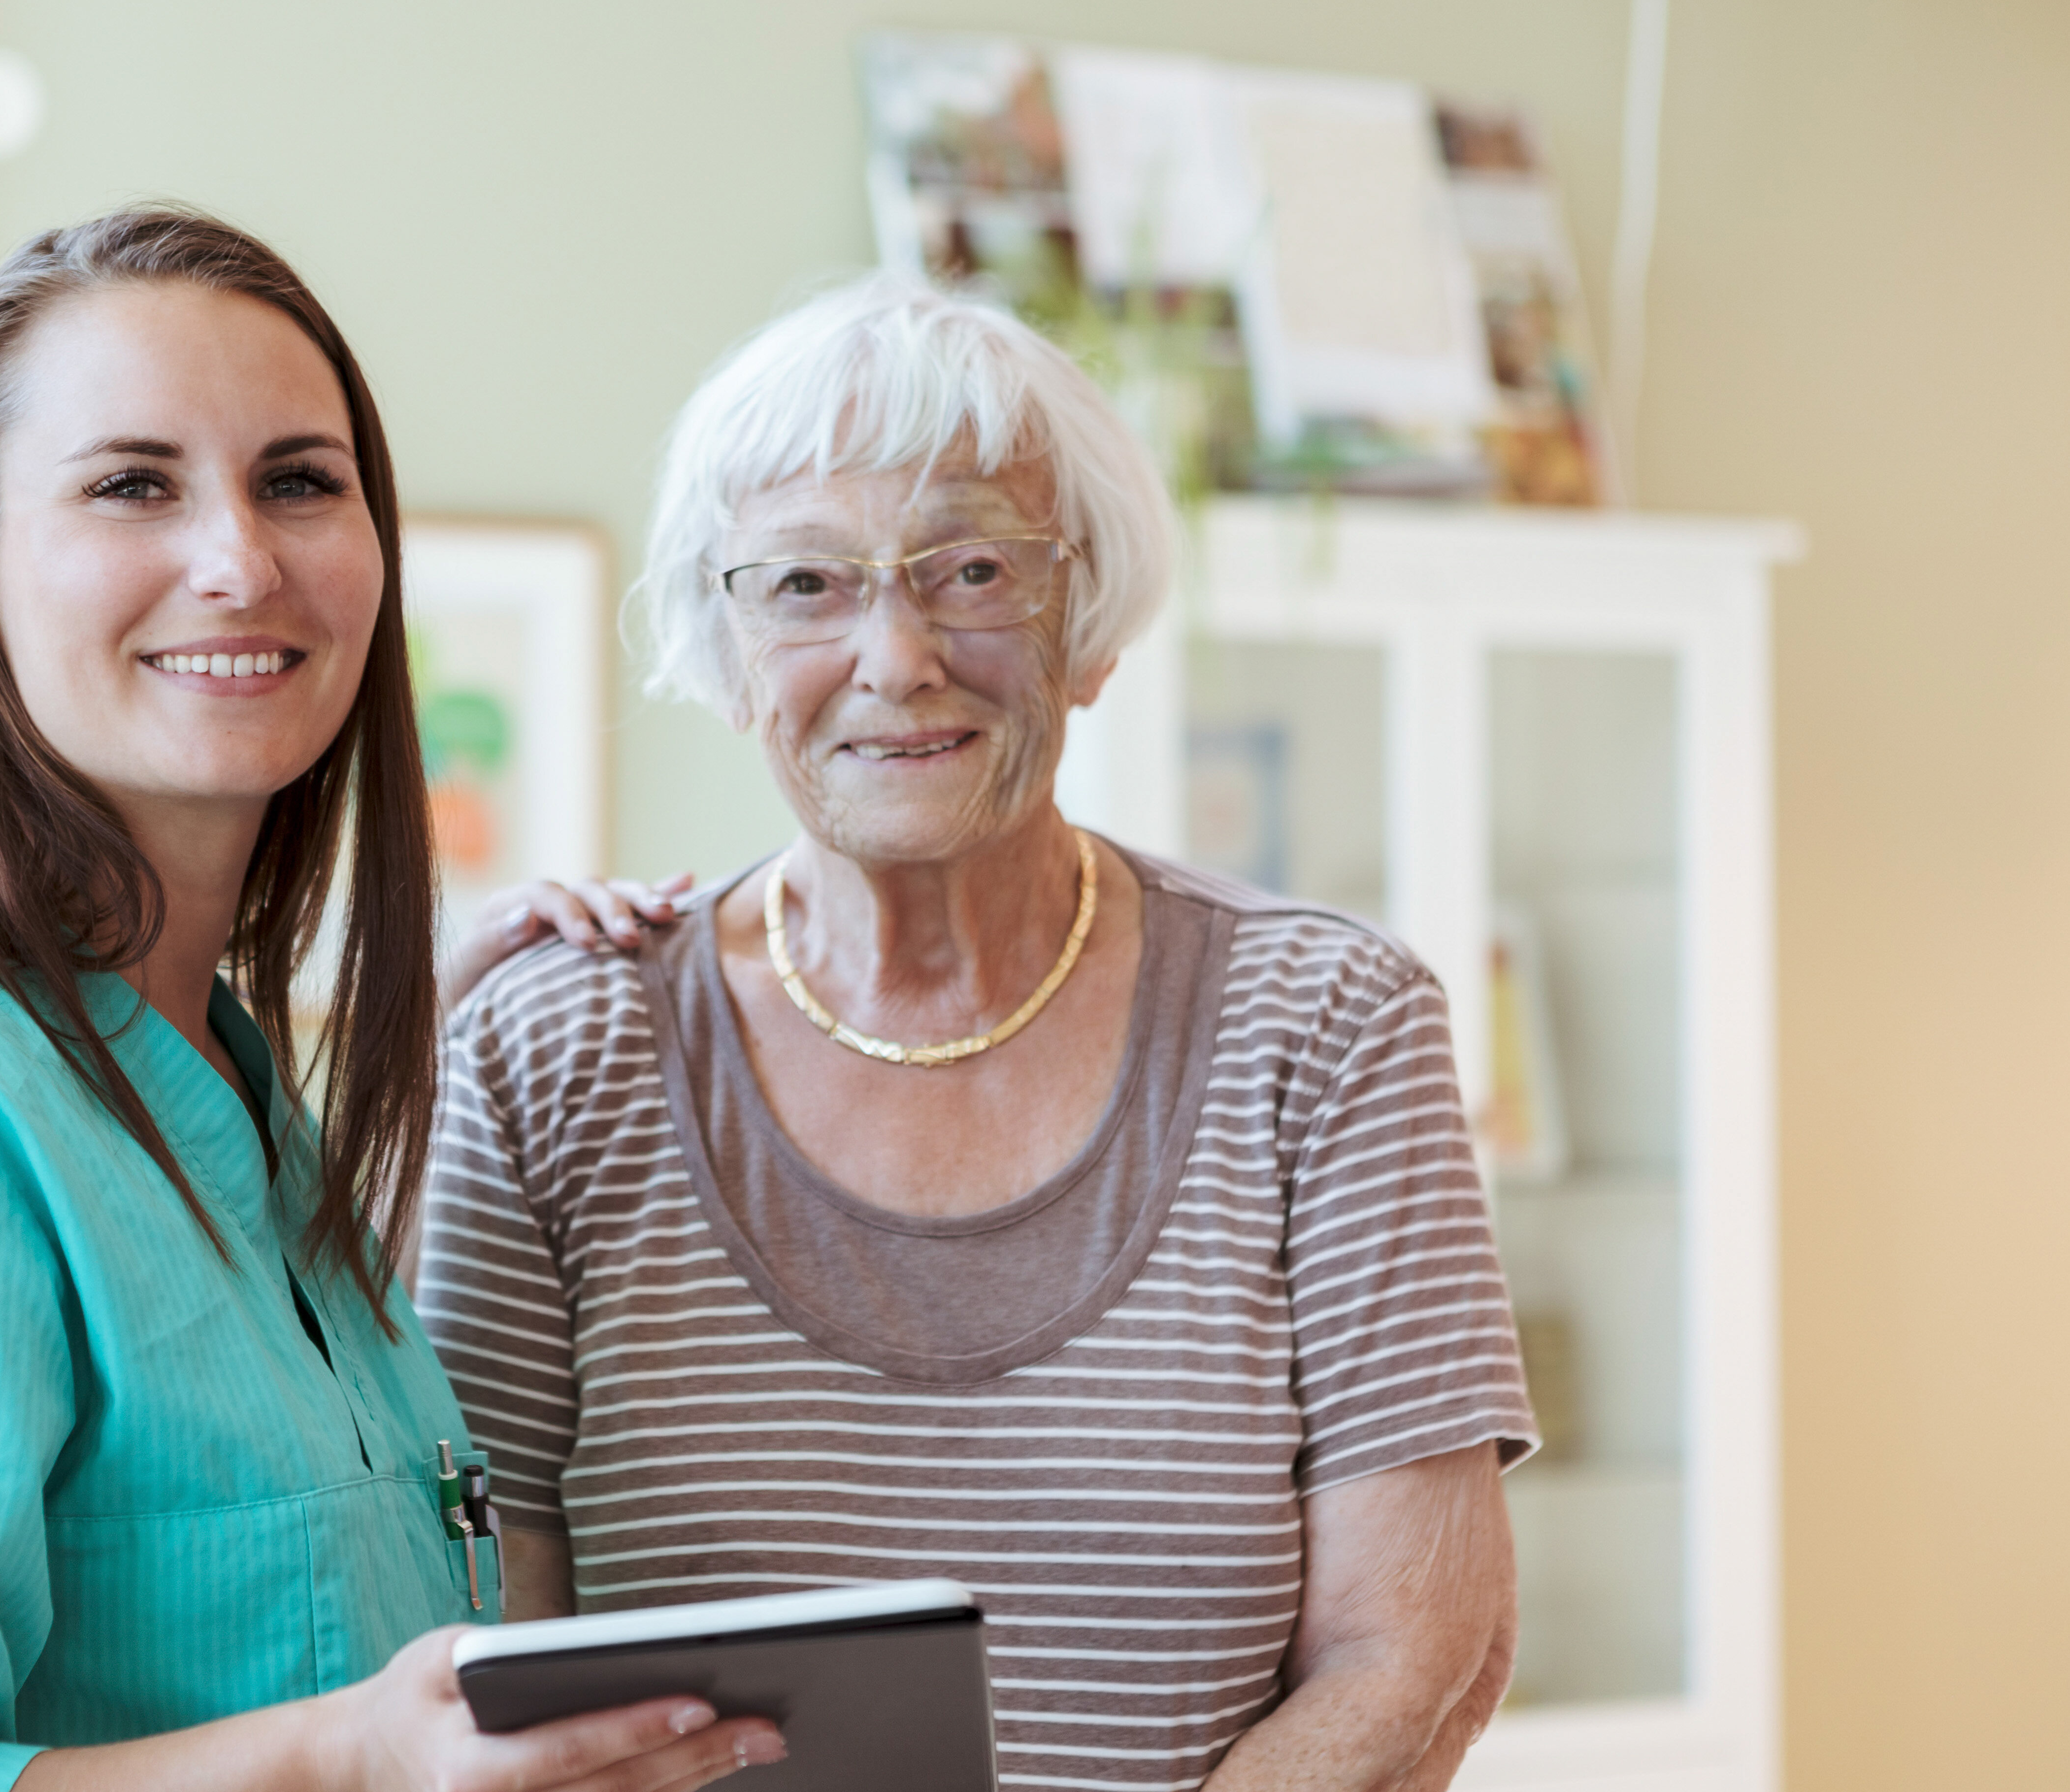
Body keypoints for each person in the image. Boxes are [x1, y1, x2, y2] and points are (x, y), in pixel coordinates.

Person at [0, 206, 784, 1792]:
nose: (240, 560)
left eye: (299, 482)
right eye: (130, 486)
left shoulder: (235, 1095)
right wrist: (346, 1762)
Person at [417, 274, 1540, 1792]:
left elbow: (1413, 1660)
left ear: (1086, 623)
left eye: (968, 569)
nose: (894, 658)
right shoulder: (551, 1055)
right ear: (730, 651)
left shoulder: (1326, 1027)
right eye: (805, 585)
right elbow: (488, 1678)